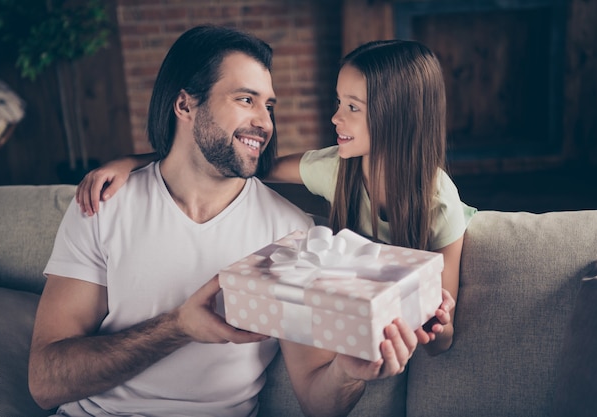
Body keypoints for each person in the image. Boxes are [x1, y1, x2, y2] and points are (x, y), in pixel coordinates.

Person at [29, 26, 445, 417]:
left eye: (269, 105)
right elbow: (45, 382)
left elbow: (320, 400)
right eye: (246, 100)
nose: (264, 122)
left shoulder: (291, 234)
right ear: (185, 104)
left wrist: (346, 374)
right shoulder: (105, 206)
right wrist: (177, 327)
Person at [76, 38, 473, 356]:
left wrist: (440, 325)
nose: (335, 118)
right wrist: (134, 161)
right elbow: (244, 160)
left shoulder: (439, 202)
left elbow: (441, 339)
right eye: (338, 102)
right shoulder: (332, 168)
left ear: (396, 117)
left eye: (352, 107)